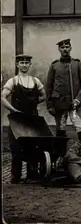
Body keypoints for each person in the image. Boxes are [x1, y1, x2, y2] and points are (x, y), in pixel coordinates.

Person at [1, 54, 46, 184]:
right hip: (17, 119)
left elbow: (44, 96)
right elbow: (3, 97)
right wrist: (13, 110)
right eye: (22, 63)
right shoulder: (13, 81)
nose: (25, 65)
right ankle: (16, 177)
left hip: (32, 118)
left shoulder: (35, 81)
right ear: (17, 65)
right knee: (16, 147)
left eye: (27, 62)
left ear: (30, 65)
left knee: (33, 146)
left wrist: (33, 103)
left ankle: (32, 176)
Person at [46, 39, 81, 138]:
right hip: (59, 103)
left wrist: (78, 99)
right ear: (59, 49)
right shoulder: (54, 65)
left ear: (70, 48)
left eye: (67, 47)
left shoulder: (77, 64)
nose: (65, 49)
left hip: (75, 103)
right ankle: (61, 152)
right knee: (61, 128)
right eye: (62, 47)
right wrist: (49, 105)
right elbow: (49, 87)